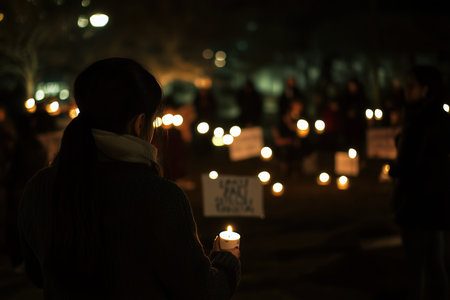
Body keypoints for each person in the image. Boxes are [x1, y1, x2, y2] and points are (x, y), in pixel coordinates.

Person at [18, 58, 240, 299]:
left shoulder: (39, 187)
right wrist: (227, 260)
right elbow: (204, 292)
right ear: (139, 123)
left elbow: (37, 273)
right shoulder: (159, 197)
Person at [389, 66, 450, 300]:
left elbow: (411, 162)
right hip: (435, 200)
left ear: (425, 89)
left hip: (417, 200)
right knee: (435, 262)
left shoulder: (421, 121)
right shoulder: (435, 117)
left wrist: (395, 170)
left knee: (417, 265)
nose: (406, 89)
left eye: (412, 85)